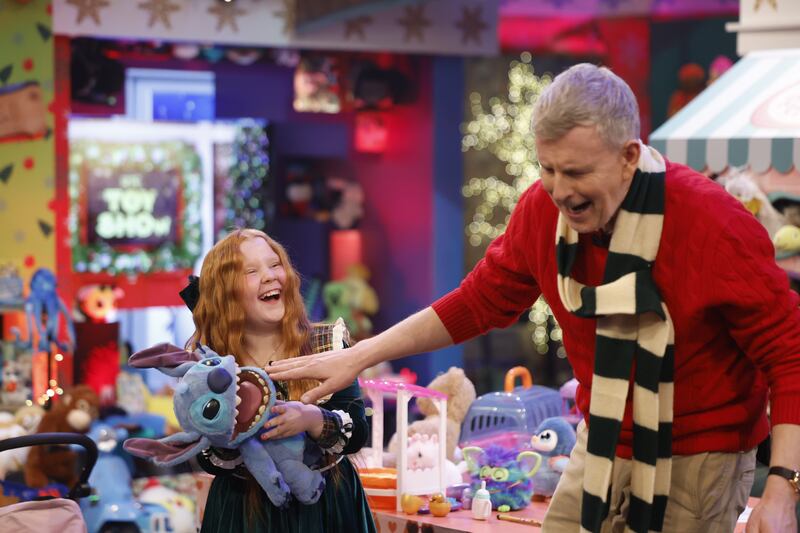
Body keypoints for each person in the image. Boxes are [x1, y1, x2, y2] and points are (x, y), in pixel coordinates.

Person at [268, 64, 800, 533]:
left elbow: (790, 357)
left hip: (700, 455)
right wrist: (361, 355)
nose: (559, 189)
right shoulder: (542, 212)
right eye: (547, 168)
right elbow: (479, 301)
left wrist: (781, 486)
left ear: (629, 157)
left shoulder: (714, 224)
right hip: (600, 442)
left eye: (576, 172)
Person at [184, 228, 376, 533]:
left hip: (327, 511)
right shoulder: (211, 363)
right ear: (226, 292)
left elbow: (357, 434)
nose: (271, 276)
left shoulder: (326, 342)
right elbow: (207, 459)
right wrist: (233, 430)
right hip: (245, 514)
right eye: (251, 270)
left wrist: (312, 419)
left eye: (275, 265)